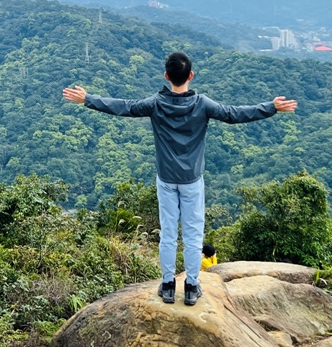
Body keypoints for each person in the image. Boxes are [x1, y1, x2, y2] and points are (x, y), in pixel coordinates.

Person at [63, 51, 297, 306]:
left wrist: (88, 99)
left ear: (166, 76)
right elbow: (234, 114)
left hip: (166, 179)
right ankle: (191, 287)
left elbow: (123, 106)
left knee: (168, 234)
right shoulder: (203, 104)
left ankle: (166, 285)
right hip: (192, 181)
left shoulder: (155, 103)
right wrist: (271, 108)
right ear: (191, 76)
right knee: (193, 236)